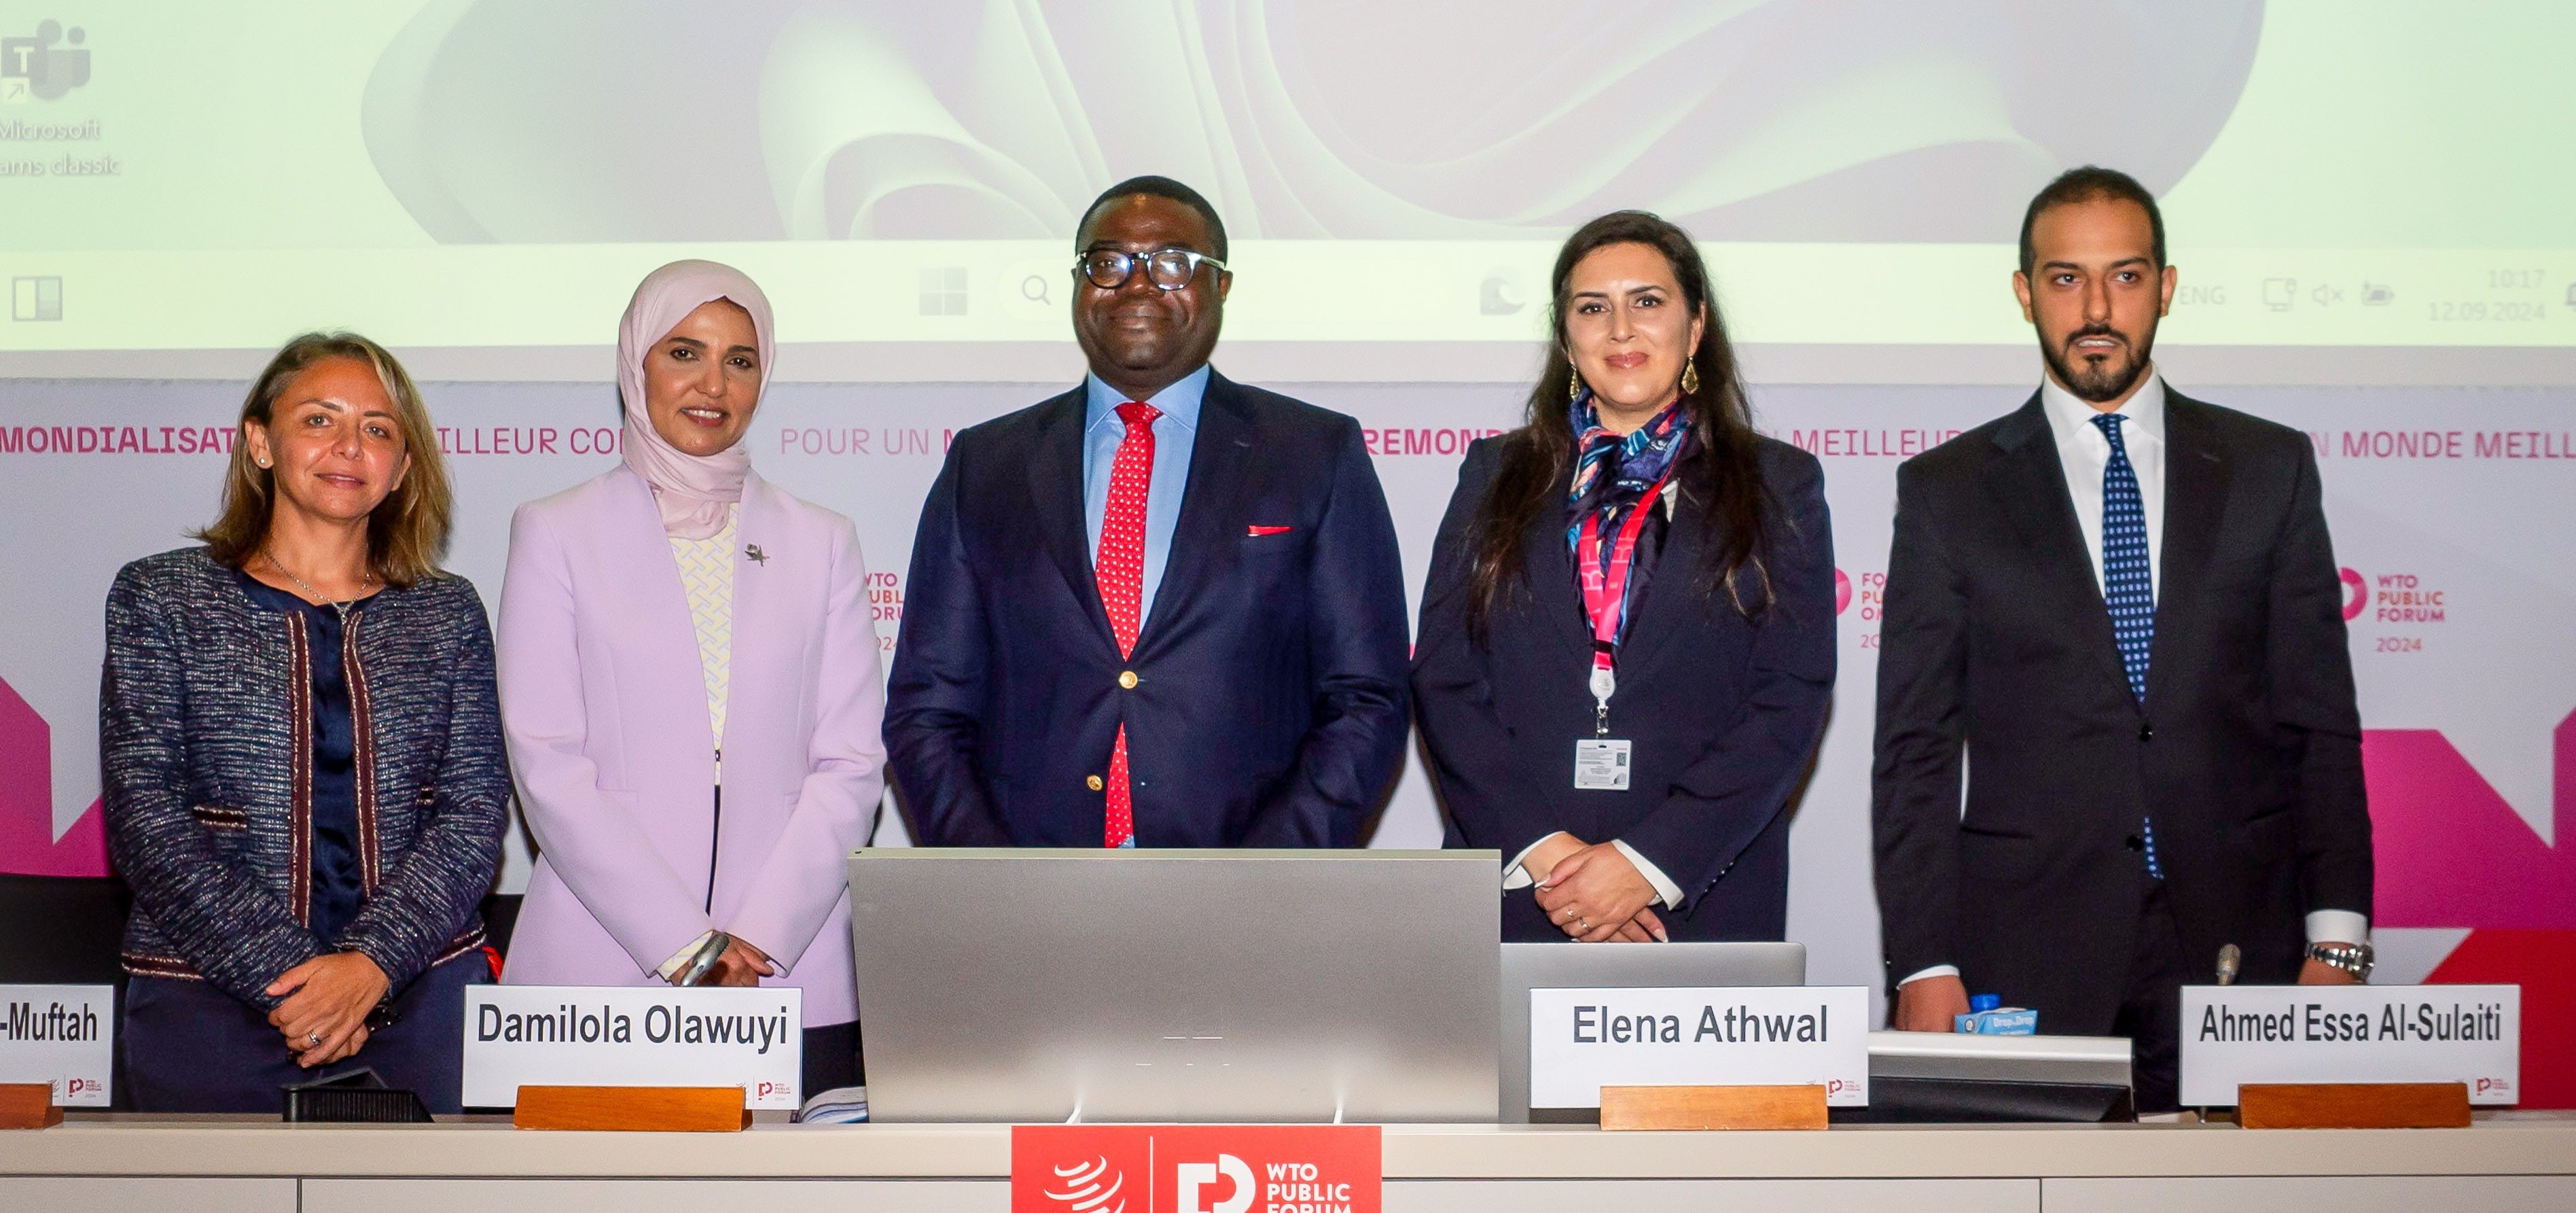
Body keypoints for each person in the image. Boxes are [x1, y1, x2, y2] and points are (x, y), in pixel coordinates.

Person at [1872, 167, 2373, 1111]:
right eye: (2066, 278)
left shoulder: (2268, 467)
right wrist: (1924, 961)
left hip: (2243, 942)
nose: (2097, 308)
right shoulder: (1947, 491)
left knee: (2242, 1207)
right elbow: (1915, 750)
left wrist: (2338, 939)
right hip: (2025, 949)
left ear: (2167, 288)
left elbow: (2319, 724)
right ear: (2025, 293)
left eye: (2126, 276)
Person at [884, 176, 1410, 848]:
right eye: (1108, 263)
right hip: (1030, 884)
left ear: (1221, 285)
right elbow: (928, 706)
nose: (1137, 285)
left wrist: (1269, 874)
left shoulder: (1314, 454)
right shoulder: (985, 465)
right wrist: (995, 877)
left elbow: (1366, 696)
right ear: (1077, 285)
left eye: (1173, 264)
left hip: (1250, 880)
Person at [496, 260, 886, 1097]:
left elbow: (851, 763)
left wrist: (758, 939)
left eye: (740, 360)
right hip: (598, 966)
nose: (714, 384)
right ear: (636, 363)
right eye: (684, 352)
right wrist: (686, 944)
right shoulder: (556, 531)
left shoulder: (822, 541)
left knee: (788, 1191)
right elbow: (547, 762)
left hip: (784, 969)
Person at [101, 333, 507, 1112]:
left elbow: (474, 814)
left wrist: (370, 967)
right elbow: (145, 817)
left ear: (402, 468)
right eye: (320, 419)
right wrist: (293, 980)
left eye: (378, 429)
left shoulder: (448, 611)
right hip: (208, 1004)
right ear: (261, 442)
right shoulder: (161, 598)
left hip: (417, 1001)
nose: (350, 446)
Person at [1412, 211, 1835, 943]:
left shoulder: (1779, 484)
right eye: (1591, 308)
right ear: (1566, 339)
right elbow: (1444, 678)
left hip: (1697, 897)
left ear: (1695, 327)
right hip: (1519, 894)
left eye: (1647, 301)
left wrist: (1647, 865)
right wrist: (1550, 858)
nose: (1620, 330)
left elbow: (1790, 694)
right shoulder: (1494, 474)